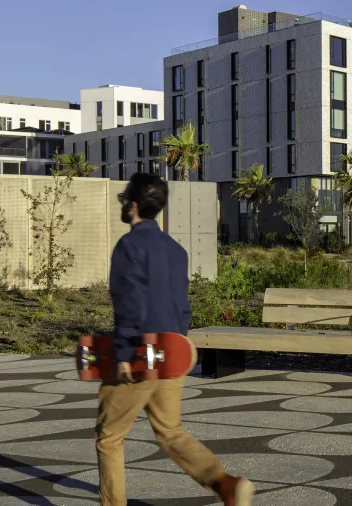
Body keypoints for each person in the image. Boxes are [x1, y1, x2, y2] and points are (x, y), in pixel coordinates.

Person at [96, 171, 254, 506]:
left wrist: (124, 353)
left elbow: (129, 302)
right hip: (172, 350)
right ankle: (226, 485)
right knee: (170, 431)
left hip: (139, 354)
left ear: (134, 205)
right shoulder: (175, 248)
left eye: (123, 197)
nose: (122, 203)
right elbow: (182, 306)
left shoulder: (129, 245)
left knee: (110, 436)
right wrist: (177, 346)